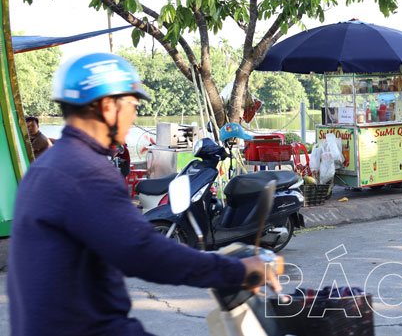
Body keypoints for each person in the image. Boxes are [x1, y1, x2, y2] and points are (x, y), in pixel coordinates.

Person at [8, 53, 278, 336]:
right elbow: (146, 252)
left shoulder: (46, 167)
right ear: (108, 107)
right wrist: (237, 270)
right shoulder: (86, 172)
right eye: (132, 105)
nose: (134, 115)